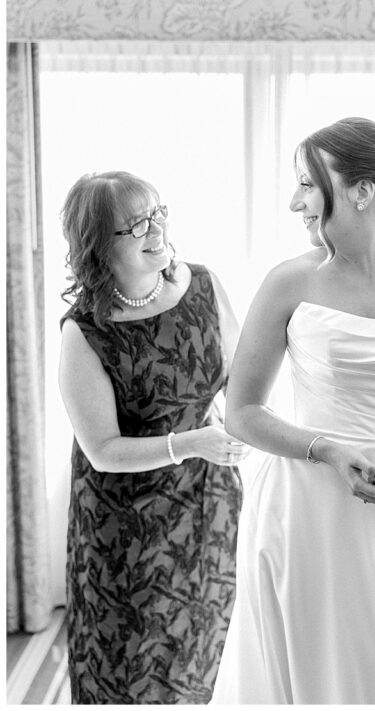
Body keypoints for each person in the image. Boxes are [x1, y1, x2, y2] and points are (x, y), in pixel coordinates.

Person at [211, 117, 375, 703]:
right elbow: (241, 411)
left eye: (307, 184)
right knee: (315, 666)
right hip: (306, 504)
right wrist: (327, 449)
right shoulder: (288, 282)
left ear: (361, 190)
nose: (294, 202)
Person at [57, 171, 247, 703]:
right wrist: (192, 443)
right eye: (137, 224)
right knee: (130, 661)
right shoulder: (84, 333)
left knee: (203, 642)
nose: (157, 229)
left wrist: (250, 425)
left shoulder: (204, 285)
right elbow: (103, 451)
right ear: (100, 245)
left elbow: (237, 379)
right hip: (126, 525)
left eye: (158, 213)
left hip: (208, 503)